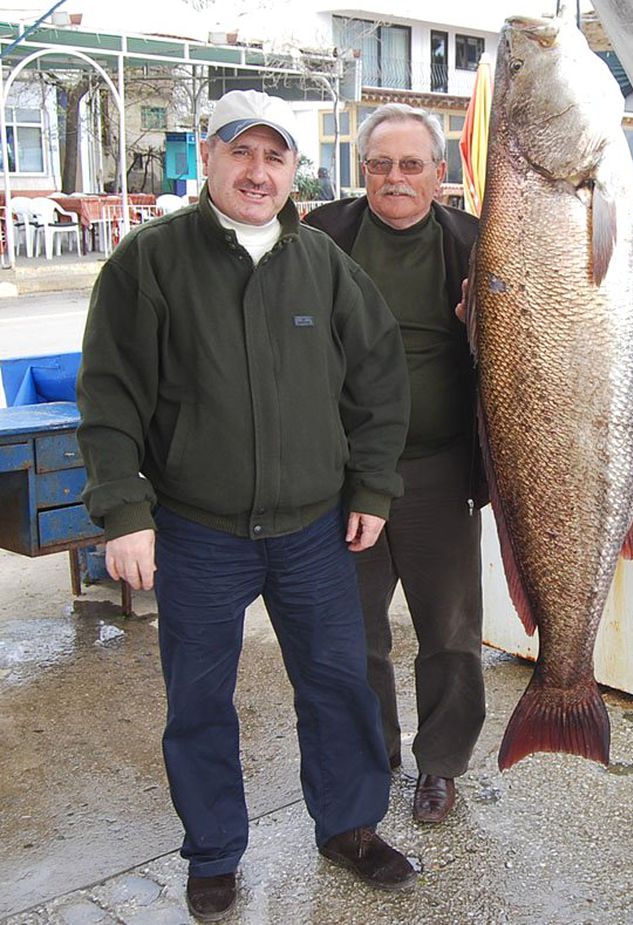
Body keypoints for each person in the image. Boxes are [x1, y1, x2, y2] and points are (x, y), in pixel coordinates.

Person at [76, 89, 416, 922]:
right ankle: (215, 852)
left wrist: (372, 485)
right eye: (241, 151)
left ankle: (348, 826)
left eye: (276, 156)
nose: (259, 172)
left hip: (312, 529)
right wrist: (125, 512)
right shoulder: (148, 262)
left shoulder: (324, 265)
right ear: (210, 158)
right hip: (198, 530)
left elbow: (378, 380)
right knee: (198, 699)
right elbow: (110, 396)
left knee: (338, 684)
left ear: (295, 169)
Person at [305, 103, 485, 825]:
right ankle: (370, 753)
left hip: (441, 471)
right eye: (381, 164)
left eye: (412, 164)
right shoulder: (321, 236)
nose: (395, 178)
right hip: (342, 474)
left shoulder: (476, 243)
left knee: (449, 630)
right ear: (363, 170)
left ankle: (440, 763)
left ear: (440, 175)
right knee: (352, 632)